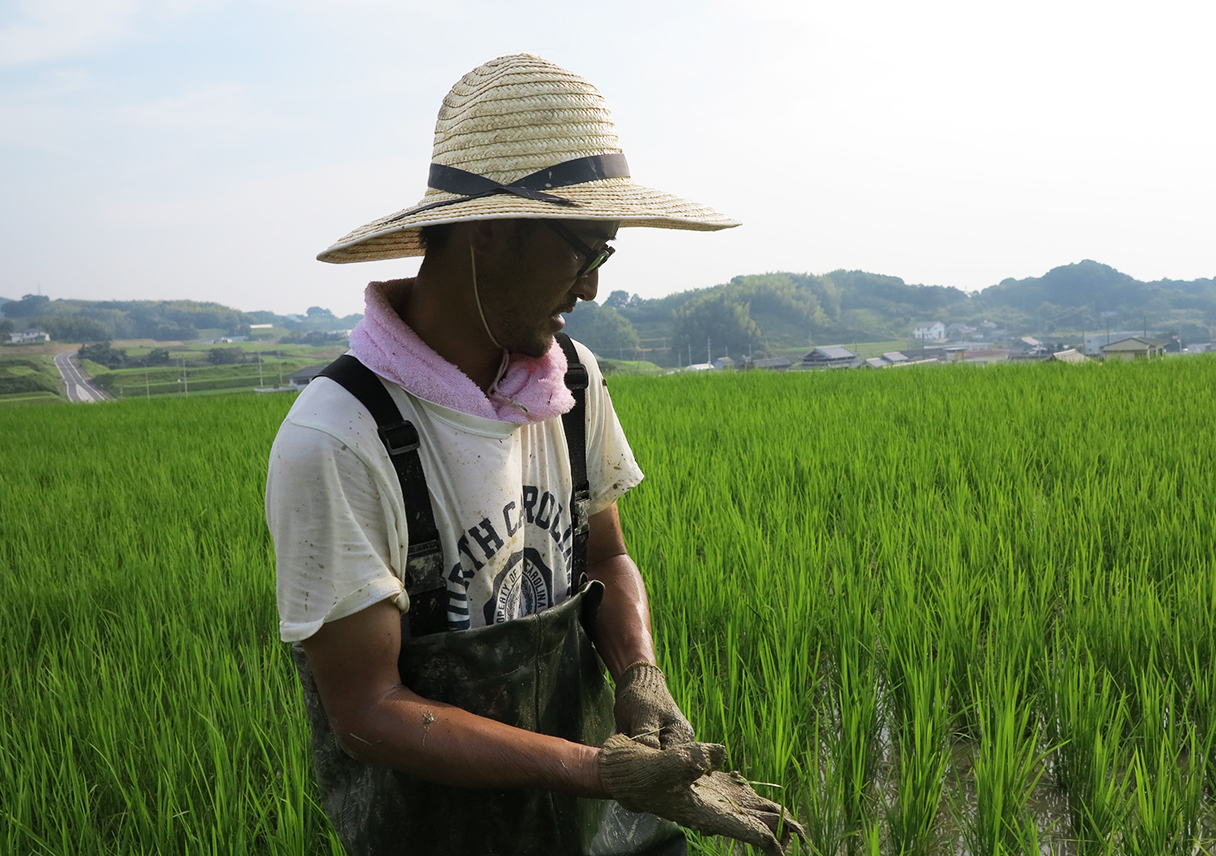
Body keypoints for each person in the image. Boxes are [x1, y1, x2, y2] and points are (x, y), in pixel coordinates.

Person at [266, 54, 804, 856]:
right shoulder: (341, 436)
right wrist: (602, 771)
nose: (591, 289)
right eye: (584, 252)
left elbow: (606, 553)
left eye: (604, 257)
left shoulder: (571, 382)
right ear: (490, 234)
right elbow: (367, 713)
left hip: (594, 829)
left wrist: (639, 675)